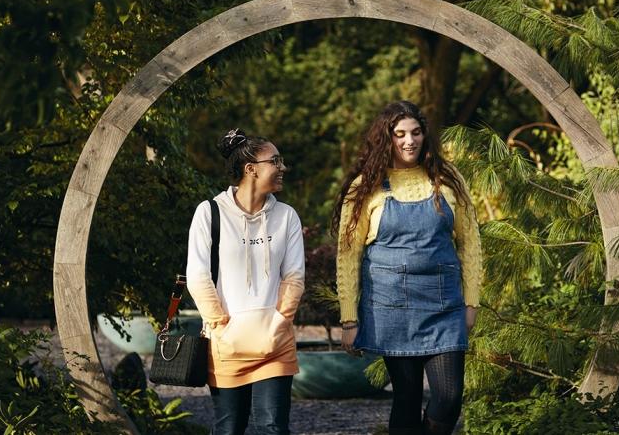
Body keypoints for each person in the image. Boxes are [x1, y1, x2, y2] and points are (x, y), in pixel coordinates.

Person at [334, 100, 483, 435]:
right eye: (399, 134)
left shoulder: (447, 179)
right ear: (386, 138)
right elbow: (348, 255)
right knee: (407, 396)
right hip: (391, 308)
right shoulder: (365, 186)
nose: (409, 140)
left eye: (415, 132)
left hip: (443, 306)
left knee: (448, 396)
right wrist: (349, 318)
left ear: (424, 135)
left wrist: (471, 302)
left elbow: (470, 243)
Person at [187, 129, 305, 435]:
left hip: (275, 343)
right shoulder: (209, 213)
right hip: (225, 344)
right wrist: (220, 326)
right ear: (250, 168)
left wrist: (281, 321)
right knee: (229, 429)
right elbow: (198, 277)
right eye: (275, 161)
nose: (283, 167)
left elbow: (294, 277)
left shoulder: (287, 216)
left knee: (274, 428)